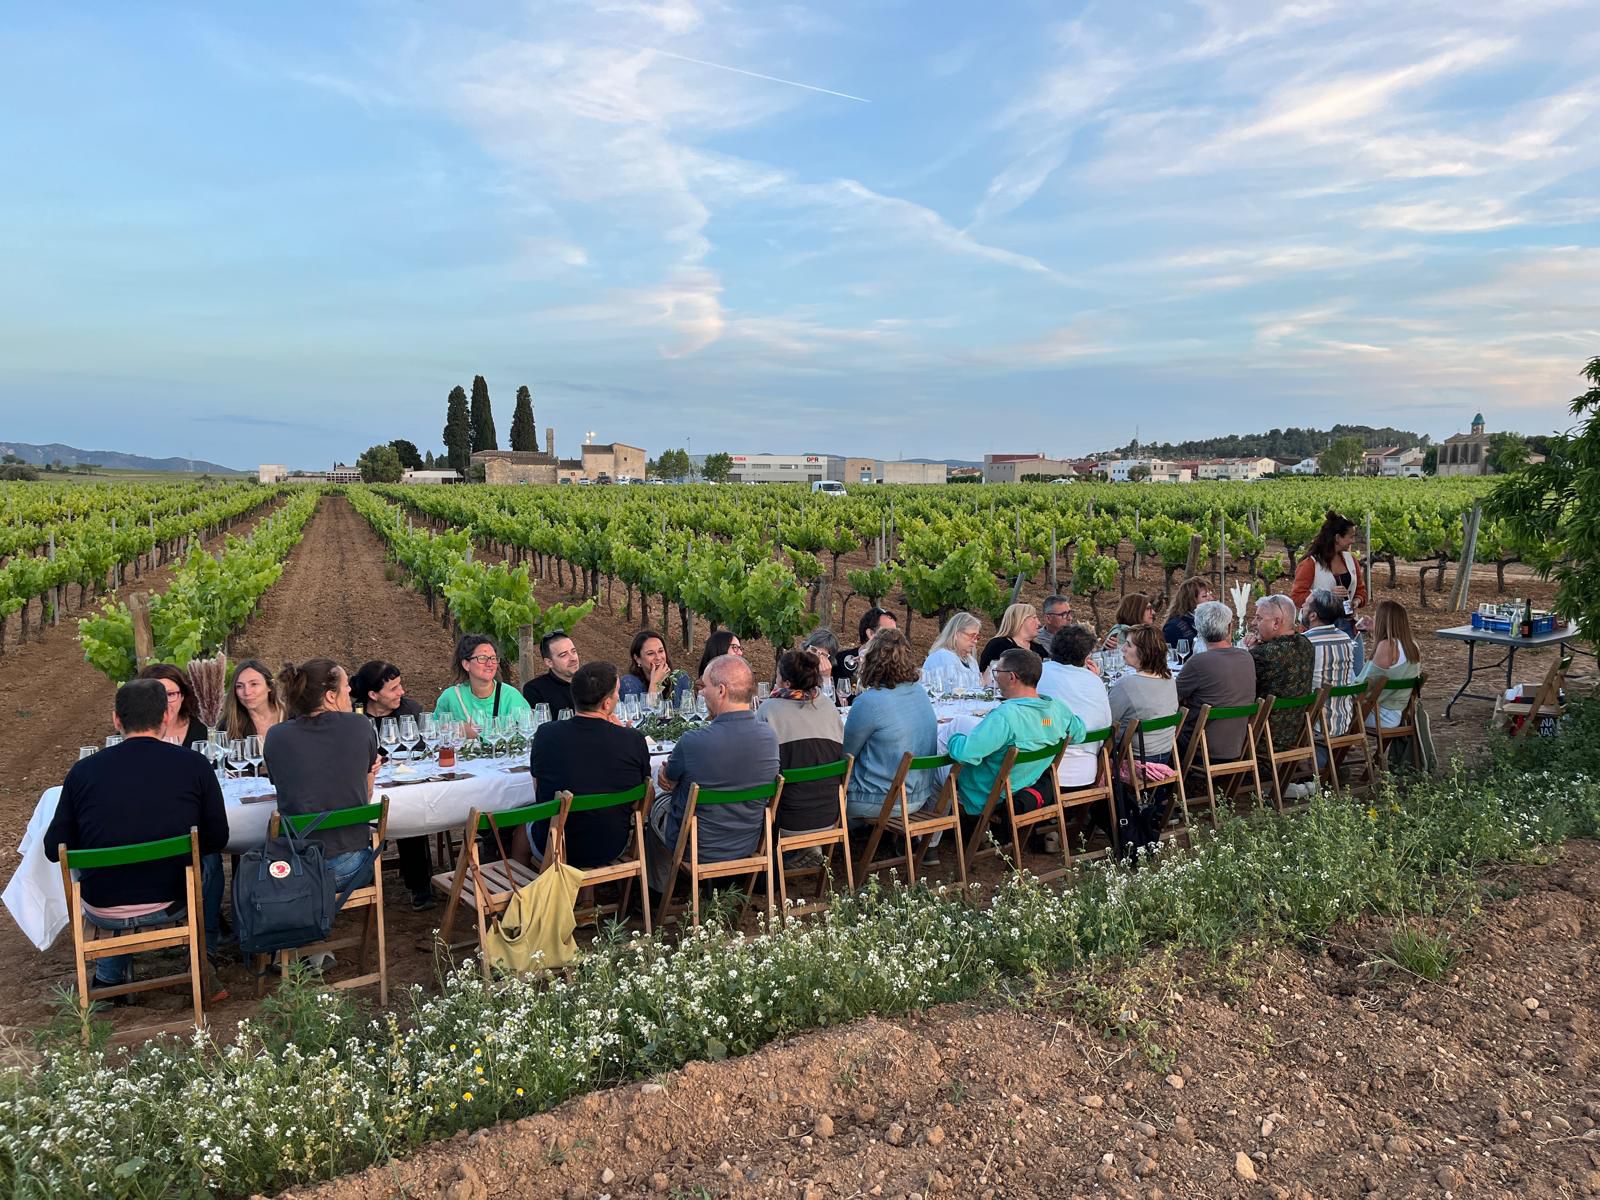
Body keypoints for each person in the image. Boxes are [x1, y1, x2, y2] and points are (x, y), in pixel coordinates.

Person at [45, 679, 229, 993]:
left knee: (91, 864)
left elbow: (54, 849)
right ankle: (200, 959)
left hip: (102, 910)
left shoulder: (82, 772)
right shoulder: (194, 765)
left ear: (117, 719)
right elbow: (218, 837)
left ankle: (109, 975)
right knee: (206, 859)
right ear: (166, 718)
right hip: (172, 903)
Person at [648, 655, 780, 893]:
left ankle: (657, 891)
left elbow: (669, 779)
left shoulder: (693, 742)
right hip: (747, 843)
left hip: (698, 847)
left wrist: (665, 775)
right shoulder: (769, 737)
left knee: (655, 802)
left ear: (721, 691)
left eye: (704, 687)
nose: (701, 693)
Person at [264, 659, 381, 896]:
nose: (350, 690)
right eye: (346, 685)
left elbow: (285, 789)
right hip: (349, 866)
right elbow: (366, 795)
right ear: (330, 696)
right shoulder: (360, 726)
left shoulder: (276, 736)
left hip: (296, 866)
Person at [524, 662, 651, 869]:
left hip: (558, 847)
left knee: (525, 823)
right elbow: (639, 801)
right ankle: (587, 895)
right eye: (617, 693)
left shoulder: (546, 734)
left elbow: (539, 791)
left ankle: (531, 890)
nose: (618, 697)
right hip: (611, 845)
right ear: (607, 704)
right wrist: (622, 734)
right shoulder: (632, 739)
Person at [946, 649, 1084, 839]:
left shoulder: (1006, 717)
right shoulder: (1057, 711)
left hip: (986, 794)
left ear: (1012, 677)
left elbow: (965, 754)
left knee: (941, 760)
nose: (995, 676)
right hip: (1025, 786)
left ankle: (929, 841)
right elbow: (1079, 733)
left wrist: (953, 737)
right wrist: (1045, 726)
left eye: (997, 672)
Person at [350, 660, 433, 910]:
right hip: (365, 787)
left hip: (403, 784)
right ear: (373, 695)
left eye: (400, 685)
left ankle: (420, 885)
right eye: (394, 689)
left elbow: (423, 751)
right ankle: (361, 880)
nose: (402, 692)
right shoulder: (354, 717)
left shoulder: (411, 711)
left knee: (411, 813)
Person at [843, 630, 938, 822]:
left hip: (880, 799)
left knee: (825, 782)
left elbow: (846, 756)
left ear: (871, 661)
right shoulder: (919, 692)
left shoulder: (869, 702)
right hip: (920, 793)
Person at [757, 649, 846, 854]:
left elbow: (759, 768)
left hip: (786, 820)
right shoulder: (828, 707)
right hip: (830, 816)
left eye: (778, 675)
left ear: (786, 683)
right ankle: (809, 849)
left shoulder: (769, 710)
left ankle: (782, 859)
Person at [1176, 600, 1257, 761]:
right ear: (1229, 627)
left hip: (1202, 746)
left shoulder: (1198, 662)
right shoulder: (1247, 657)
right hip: (1238, 744)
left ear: (1198, 629)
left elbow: (1172, 696)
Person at [1040, 624, 1114, 789]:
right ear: (1087, 656)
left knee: (1042, 722)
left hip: (1043, 769)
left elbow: (1038, 722)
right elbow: (1106, 724)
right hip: (1088, 771)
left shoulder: (1039, 673)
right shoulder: (1095, 681)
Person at [1291, 510, 1367, 661]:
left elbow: (1361, 591)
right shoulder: (1310, 563)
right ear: (1338, 538)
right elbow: (1297, 596)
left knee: (1353, 667)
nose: (1353, 541)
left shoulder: (1352, 561)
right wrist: (1327, 595)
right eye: (1351, 536)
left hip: (1347, 624)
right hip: (1318, 629)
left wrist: (1356, 601)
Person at [1245, 594, 1316, 752]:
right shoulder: (1306, 645)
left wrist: (1252, 651)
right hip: (1296, 735)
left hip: (1263, 738)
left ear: (1276, 623)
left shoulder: (1263, 655)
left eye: (1259, 618)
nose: (1253, 623)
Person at [1108, 625, 1180, 760]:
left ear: (1143, 652)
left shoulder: (1126, 685)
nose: (1123, 649)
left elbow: (1106, 722)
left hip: (1133, 760)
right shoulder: (1169, 679)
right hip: (1165, 755)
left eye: (1128, 645)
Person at [435, 634, 532, 734]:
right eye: (482, 658)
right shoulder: (451, 697)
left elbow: (529, 734)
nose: (490, 664)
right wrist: (456, 729)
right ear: (466, 664)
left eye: (493, 658)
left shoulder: (511, 696)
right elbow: (434, 732)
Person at [1303, 590, 1358, 760]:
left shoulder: (1306, 643)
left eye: (1305, 605)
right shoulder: (1346, 639)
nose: (1302, 607)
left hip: (1315, 721)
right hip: (1343, 718)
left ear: (1313, 616)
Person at [1357, 600, 1422, 728]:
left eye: (1376, 617)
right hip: (1397, 712)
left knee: (1331, 713)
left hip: (1379, 714)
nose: (1374, 619)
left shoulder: (1387, 646)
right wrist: (1374, 630)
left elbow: (1366, 685)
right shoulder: (1412, 645)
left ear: (1382, 621)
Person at [138, 663, 209, 750]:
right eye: (154, 695)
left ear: (182, 696)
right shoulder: (129, 733)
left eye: (170, 694)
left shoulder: (204, 731)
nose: (163, 702)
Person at [619, 629, 692, 708]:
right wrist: (654, 686)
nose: (658, 657)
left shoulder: (680, 678)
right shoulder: (628, 683)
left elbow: (691, 716)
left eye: (661, 651)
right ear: (637, 659)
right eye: (650, 653)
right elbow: (639, 719)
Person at [218, 659, 282, 740]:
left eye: (254, 684)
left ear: (270, 686)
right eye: (239, 686)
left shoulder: (290, 716)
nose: (247, 692)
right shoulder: (228, 726)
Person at [521, 630, 580, 715]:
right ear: (549, 662)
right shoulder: (535, 690)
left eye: (573, 651)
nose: (573, 658)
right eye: (563, 655)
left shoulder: (593, 682)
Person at [837, 607, 898, 684]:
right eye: (889, 632)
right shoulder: (841, 661)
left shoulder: (895, 666)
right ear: (871, 634)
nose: (896, 637)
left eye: (896, 632)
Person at [923, 612, 983, 690]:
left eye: (977, 637)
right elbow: (943, 692)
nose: (975, 641)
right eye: (971, 636)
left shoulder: (971, 662)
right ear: (956, 634)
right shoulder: (941, 658)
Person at [979, 603, 1041, 674]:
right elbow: (984, 673)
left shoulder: (1039, 648)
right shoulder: (998, 645)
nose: (1039, 623)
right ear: (1021, 619)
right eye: (1034, 618)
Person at [1162, 577, 1215, 649]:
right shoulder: (1174, 627)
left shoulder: (1209, 623)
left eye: (1210, 594)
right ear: (1191, 601)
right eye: (1204, 596)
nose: (1211, 599)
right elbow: (1170, 656)